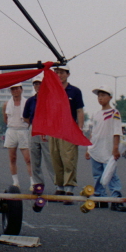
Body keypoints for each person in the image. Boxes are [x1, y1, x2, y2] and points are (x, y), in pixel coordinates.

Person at [86, 85, 126, 212]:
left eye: (103, 95)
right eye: (99, 95)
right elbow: (93, 132)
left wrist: (115, 148)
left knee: (110, 174)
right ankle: (100, 198)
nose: (100, 98)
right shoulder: (96, 114)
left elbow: (116, 131)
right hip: (96, 149)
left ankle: (116, 198)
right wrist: (89, 148)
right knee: (97, 175)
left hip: (108, 150)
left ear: (110, 97)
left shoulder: (114, 113)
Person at [50, 65, 85, 200]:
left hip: (69, 128)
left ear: (68, 74)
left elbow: (79, 110)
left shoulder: (75, 91)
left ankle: (69, 188)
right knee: (55, 158)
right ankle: (59, 187)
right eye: (56, 72)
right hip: (54, 129)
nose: (59, 75)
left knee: (68, 159)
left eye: (62, 72)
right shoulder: (51, 90)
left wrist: (80, 128)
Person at [22, 78, 55, 188]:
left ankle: (57, 184)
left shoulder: (50, 99)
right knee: (34, 158)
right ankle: (38, 183)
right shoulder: (31, 100)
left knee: (49, 158)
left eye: (39, 84)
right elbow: (26, 117)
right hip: (34, 129)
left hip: (46, 129)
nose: (37, 86)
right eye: (35, 84)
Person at [2, 84, 31, 187]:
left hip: (23, 131)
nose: (15, 91)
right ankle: (15, 182)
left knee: (28, 159)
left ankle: (32, 182)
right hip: (11, 131)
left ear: (21, 90)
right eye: (12, 89)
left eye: (17, 88)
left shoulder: (27, 102)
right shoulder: (6, 104)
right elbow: (5, 119)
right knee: (12, 158)